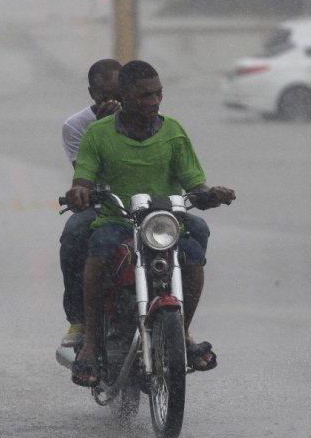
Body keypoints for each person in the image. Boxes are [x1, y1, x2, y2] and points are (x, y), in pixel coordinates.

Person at [65, 60, 235, 387]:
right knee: (98, 251)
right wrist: (80, 190)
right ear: (124, 96)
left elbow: (194, 182)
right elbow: (83, 175)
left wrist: (210, 194)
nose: (154, 102)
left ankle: (182, 332)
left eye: (158, 94)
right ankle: (90, 341)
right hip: (117, 221)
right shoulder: (97, 134)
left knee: (194, 251)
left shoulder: (173, 131)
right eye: (145, 96)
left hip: (164, 224)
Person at [59, 59, 122, 347]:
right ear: (91, 93)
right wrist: (105, 128)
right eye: (102, 95)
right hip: (104, 203)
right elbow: (85, 175)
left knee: (190, 237)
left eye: (118, 94)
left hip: (146, 203)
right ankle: (78, 319)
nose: (111, 101)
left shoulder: (150, 117)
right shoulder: (76, 126)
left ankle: (177, 323)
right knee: (73, 235)